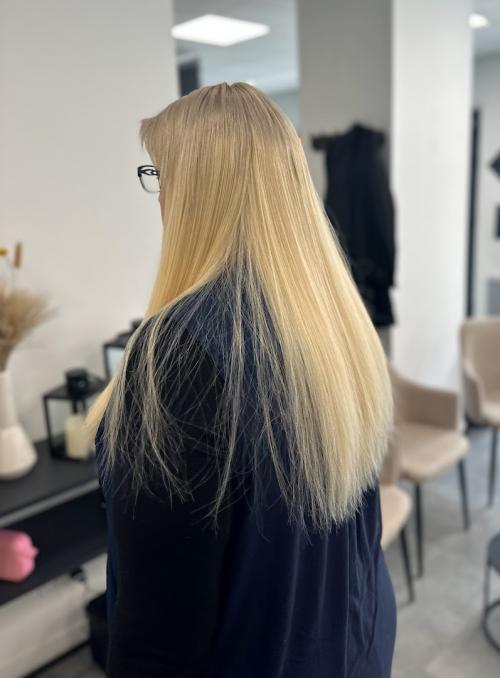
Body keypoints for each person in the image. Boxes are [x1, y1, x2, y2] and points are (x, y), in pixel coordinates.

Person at [85, 82, 396, 678]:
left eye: (160, 175)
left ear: (195, 190)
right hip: (351, 648)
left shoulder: (176, 355)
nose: (159, 195)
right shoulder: (331, 318)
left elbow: (158, 641)